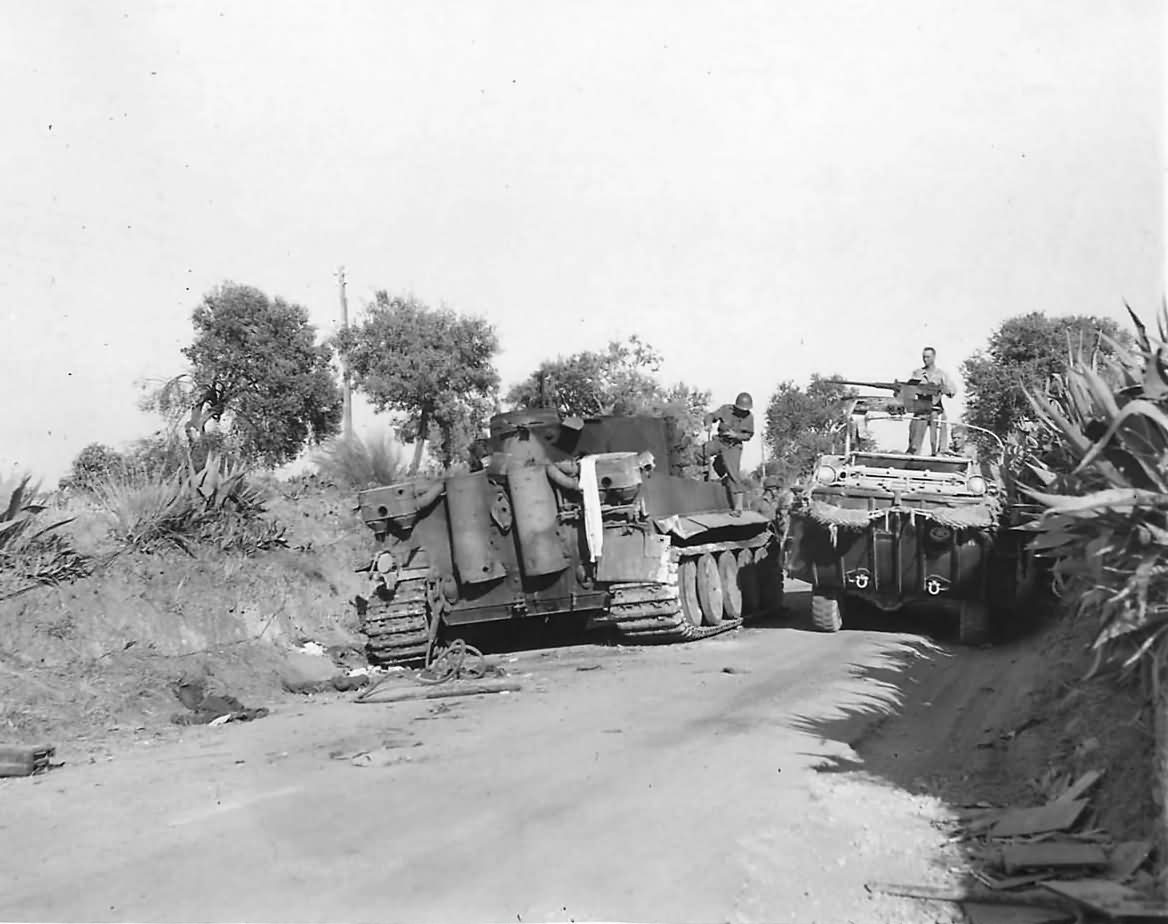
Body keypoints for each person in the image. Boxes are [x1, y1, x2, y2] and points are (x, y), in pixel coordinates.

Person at [703, 392, 754, 501]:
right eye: (741, 410)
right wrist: (708, 424)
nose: (743, 412)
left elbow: (748, 435)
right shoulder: (726, 409)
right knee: (701, 451)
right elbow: (711, 416)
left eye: (745, 411)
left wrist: (736, 435)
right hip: (719, 441)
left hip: (733, 446)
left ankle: (738, 505)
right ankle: (702, 475)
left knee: (733, 474)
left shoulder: (749, 417)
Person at [906, 346, 958, 455]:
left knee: (938, 443)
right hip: (921, 410)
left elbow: (952, 391)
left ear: (934, 357)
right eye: (924, 357)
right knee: (914, 444)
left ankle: (939, 454)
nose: (925, 359)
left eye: (928, 357)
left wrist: (942, 389)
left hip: (936, 410)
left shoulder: (941, 374)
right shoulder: (918, 373)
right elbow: (909, 389)